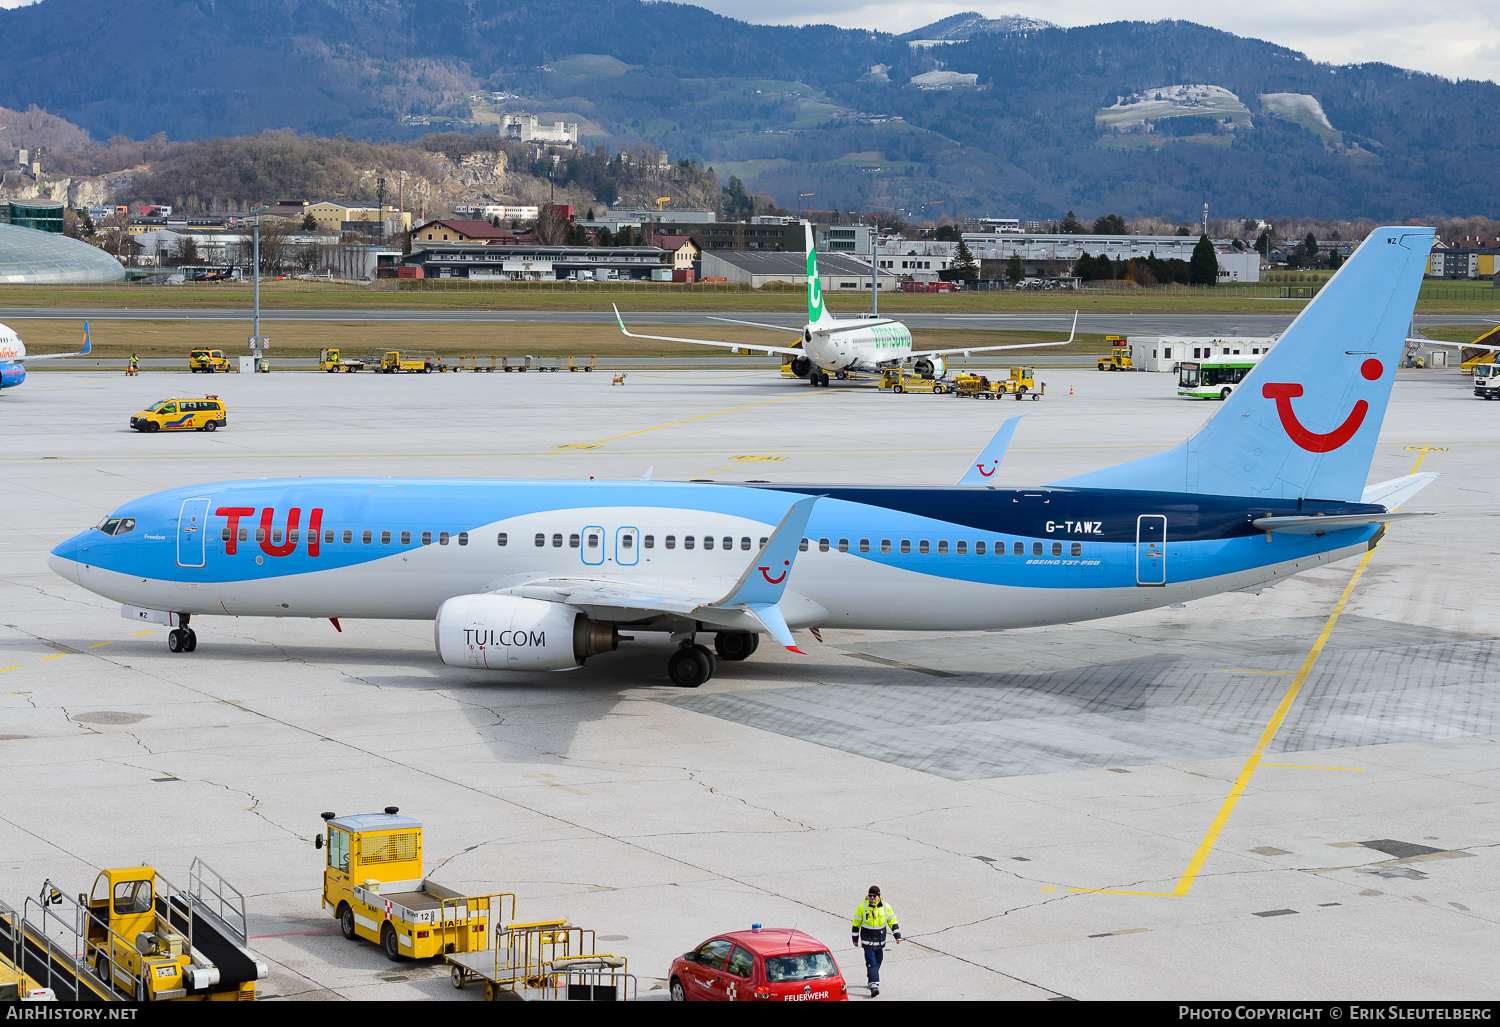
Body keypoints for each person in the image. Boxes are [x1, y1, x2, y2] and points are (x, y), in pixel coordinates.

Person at [851, 885, 900, 997]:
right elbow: (856, 923)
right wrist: (855, 939)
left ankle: (871, 977)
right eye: (870, 896)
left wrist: (897, 935)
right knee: (871, 962)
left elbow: (892, 921)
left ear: (879, 896)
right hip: (867, 942)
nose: (872, 898)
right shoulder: (862, 907)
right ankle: (874, 985)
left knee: (878, 961)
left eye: (874, 896)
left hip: (880, 942)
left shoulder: (886, 907)